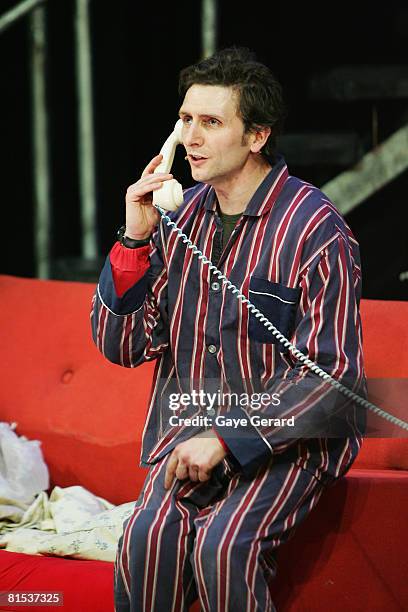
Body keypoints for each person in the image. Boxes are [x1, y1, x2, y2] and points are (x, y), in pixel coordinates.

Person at [91, 47, 366, 612]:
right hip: (192, 429)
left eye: (211, 123)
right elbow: (121, 346)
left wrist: (225, 439)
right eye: (185, 120)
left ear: (257, 136)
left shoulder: (316, 229)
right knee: (145, 543)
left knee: (222, 548)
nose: (190, 137)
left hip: (291, 440)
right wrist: (135, 240)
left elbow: (334, 382)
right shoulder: (178, 218)